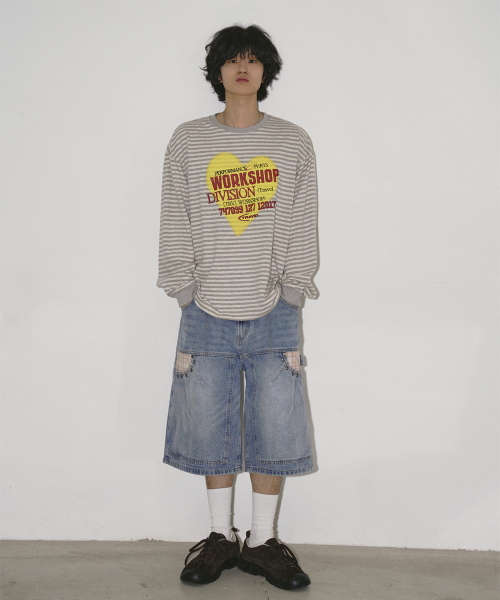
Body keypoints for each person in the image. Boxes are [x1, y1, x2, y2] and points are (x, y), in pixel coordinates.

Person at [156, 23, 319, 591]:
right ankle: (220, 537)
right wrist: (184, 290)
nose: (242, 67)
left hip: (276, 309)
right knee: (209, 425)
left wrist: (293, 291)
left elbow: (303, 220)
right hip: (204, 309)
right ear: (218, 71)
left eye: (253, 59)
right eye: (232, 59)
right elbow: (174, 216)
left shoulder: (293, 141)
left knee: (277, 425)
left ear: (266, 70)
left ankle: (263, 541)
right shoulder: (188, 140)